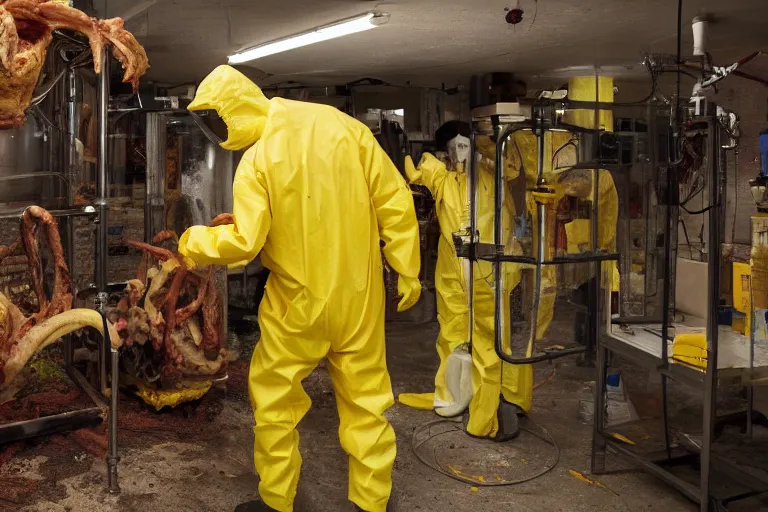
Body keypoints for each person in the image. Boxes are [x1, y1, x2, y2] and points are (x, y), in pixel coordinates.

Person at [178, 65, 422, 512]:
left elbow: (245, 243)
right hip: (359, 299)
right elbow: (393, 196)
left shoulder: (257, 161)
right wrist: (407, 267)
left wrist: (193, 242)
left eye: (218, 121)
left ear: (234, 109)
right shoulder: (344, 128)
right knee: (367, 402)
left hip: (298, 306)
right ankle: (372, 502)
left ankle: (276, 500)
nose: (222, 133)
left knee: (274, 400)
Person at [401, 121, 533, 440]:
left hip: (484, 272)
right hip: (460, 274)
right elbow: (422, 171)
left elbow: (517, 162)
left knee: (486, 339)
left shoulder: (489, 175)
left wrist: (483, 149)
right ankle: (456, 397)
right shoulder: (454, 179)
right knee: (458, 334)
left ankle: (490, 414)